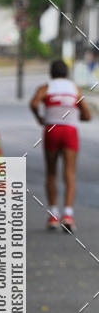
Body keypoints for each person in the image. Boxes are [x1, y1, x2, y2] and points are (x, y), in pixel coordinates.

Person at [30, 59, 91, 232]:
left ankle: (53, 215)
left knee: (51, 172)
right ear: (67, 73)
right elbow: (87, 114)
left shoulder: (46, 88)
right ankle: (69, 215)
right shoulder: (74, 89)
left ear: (51, 73)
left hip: (52, 130)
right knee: (69, 173)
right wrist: (75, 117)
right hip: (70, 132)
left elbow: (34, 103)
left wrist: (40, 118)